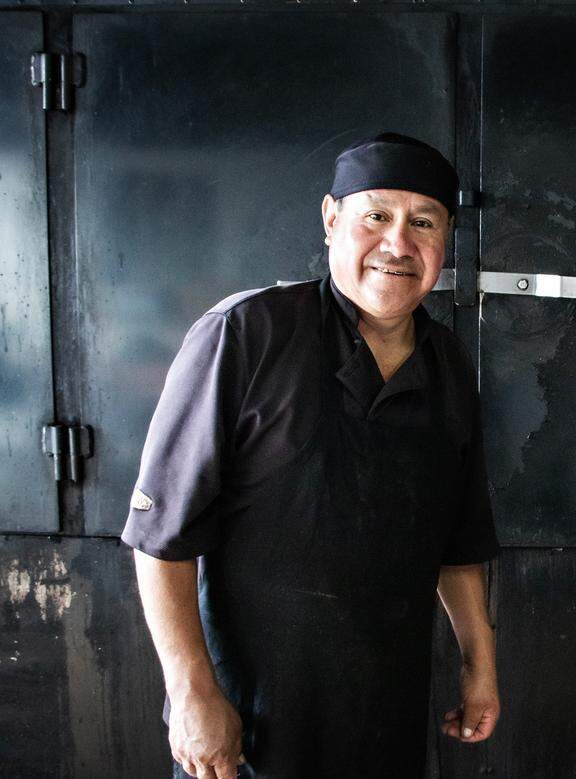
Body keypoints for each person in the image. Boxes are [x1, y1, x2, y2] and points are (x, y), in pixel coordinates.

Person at [122, 133, 500, 778]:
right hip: (251, 717)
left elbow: (457, 542)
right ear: (331, 220)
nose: (398, 244)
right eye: (376, 215)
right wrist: (191, 694)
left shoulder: (449, 365)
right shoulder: (247, 334)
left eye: (424, 223)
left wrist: (478, 666)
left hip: (387, 709)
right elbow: (161, 537)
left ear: (446, 241)